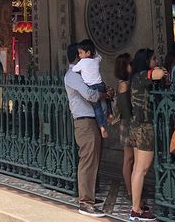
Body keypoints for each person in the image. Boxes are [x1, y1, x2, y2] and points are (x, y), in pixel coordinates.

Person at [64, 43, 112, 218]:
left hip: (92, 121)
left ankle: (90, 195)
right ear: (78, 56)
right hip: (84, 122)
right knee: (88, 160)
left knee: (94, 159)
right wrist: (105, 95)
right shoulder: (72, 76)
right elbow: (90, 95)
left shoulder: (83, 73)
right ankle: (85, 202)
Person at [129, 48, 167, 222]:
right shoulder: (143, 75)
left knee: (137, 168)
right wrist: (163, 70)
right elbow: (158, 74)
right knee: (141, 170)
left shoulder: (136, 77)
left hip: (136, 126)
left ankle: (137, 205)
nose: (156, 61)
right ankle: (136, 210)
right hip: (144, 128)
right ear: (145, 61)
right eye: (153, 58)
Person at [73, 39, 111, 138]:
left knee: (97, 107)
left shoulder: (82, 62)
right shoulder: (95, 60)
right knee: (107, 98)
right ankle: (110, 114)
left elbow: (74, 69)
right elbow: (99, 56)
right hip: (101, 85)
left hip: (92, 87)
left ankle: (102, 127)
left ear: (88, 52)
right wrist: (93, 51)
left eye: (81, 53)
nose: (79, 55)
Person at [114, 53, 134, 197]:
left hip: (129, 123)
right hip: (127, 124)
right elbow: (125, 109)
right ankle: (129, 190)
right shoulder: (123, 85)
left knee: (132, 158)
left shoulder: (128, 83)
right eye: (129, 63)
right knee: (128, 158)